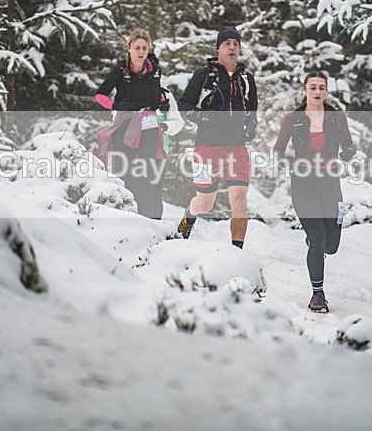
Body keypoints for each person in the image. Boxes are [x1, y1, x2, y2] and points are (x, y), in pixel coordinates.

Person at [272, 71, 356, 313]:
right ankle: (317, 295)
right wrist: (286, 161)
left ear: (326, 91)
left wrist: (348, 152)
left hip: (330, 183)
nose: (317, 92)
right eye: (313, 87)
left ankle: (316, 241)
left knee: (331, 246)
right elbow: (278, 149)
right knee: (318, 241)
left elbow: (349, 144)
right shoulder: (292, 119)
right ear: (304, 91)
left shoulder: (336, 117)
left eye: (321, 88)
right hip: (303, 183)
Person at [176, 26, 258, 249]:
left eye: (236, 44)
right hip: (207, 147)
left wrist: (251, 127)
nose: (232, 47)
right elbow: (184, 105)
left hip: (236, 148)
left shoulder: (247, 79)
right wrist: (202, 117)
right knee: (204, 204)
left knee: (240, 201)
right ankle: (189, 216)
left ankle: (235, 252)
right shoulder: (204, 75)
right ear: (219, 48)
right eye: (227, 43)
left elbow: (252, 110)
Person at [94, 29, 182, 219]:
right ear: (129, 48)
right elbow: (100, 96)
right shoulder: (120, 70)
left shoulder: (155, 70)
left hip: (149, 123)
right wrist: (116, 105)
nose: (140, 51)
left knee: (148, 171)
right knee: (124, 170)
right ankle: (124, 213)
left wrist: (162, 101)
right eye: (137, 48)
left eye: (144, 48)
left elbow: (154, 93)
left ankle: (149, 217)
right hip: (125, 123)